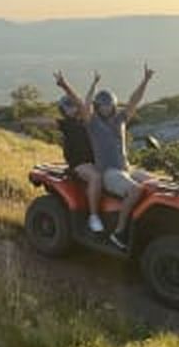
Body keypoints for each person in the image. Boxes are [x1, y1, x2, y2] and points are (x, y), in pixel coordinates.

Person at [55, 64, 155, 250]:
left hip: (126, 168)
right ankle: (119, 233)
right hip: (108, 172)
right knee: (135, 190)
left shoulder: (121, 119)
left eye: (109, 104)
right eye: (103, 105)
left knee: (156, 184)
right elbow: (79, 103)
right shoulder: (92, 123)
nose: (107, 108)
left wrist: (145, 80)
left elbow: (134, 101)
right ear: (97, 107)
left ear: (114, 105)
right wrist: (64, 85)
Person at [55, 71, 105, 233]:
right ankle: (93, 217)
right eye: (68, 107)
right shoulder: (65, 124)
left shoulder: (85, 120)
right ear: (63, 110)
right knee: (96, 177)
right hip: (79, 163)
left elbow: (87, 101)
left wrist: (94, 83)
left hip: (95, 161)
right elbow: (44, 122)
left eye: (74, 106)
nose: (73, 109)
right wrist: (23, 121)